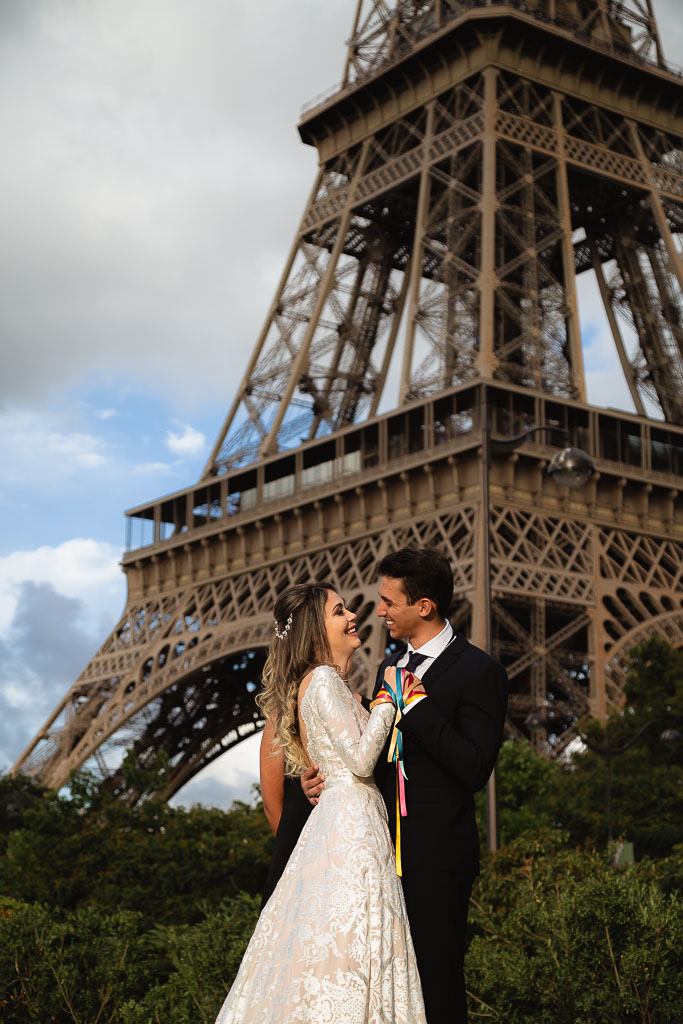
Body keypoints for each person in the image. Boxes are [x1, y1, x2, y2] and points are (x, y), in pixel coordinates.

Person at [303, 547, 508, 1024]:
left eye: (388, 602)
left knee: (437, 986)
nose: (378, 611)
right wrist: (325, 782)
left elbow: (475, 767)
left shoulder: (480, 672)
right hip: (375, 854)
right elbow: (374, 761)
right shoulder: (386, 671)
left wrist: (415, 707)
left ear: (424, 606)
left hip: (436, 856)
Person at [214, 581, 427, 1024]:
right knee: (355, 949)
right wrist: (392, 696)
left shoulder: (337, 689)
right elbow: (363, 757)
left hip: (354, 830)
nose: (354, 617)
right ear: (314, 632)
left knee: (348, 950)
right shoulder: (325, 680)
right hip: (349, 837)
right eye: (339, 611)